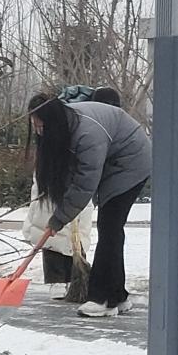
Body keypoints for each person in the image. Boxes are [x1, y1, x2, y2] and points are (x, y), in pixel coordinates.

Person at [27, 92, 152, 317]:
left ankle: (101, 299)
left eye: (41, 126)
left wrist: (59, 218)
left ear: (53, 121)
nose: (38, 131)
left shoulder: (87, 134)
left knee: (109, 227)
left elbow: (85, 182)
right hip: (112, 162)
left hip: (131, 162)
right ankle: (118, 296)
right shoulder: (64, 127)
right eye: (35, 126)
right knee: (111, 229)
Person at [21, 86, 122, 300]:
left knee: (74, 233)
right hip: (52, 183)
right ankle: (58, 280)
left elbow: (88, 170)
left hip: (77, 187)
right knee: (51, 229)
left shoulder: (88, 127)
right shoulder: (61, 123)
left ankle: (74, 278)